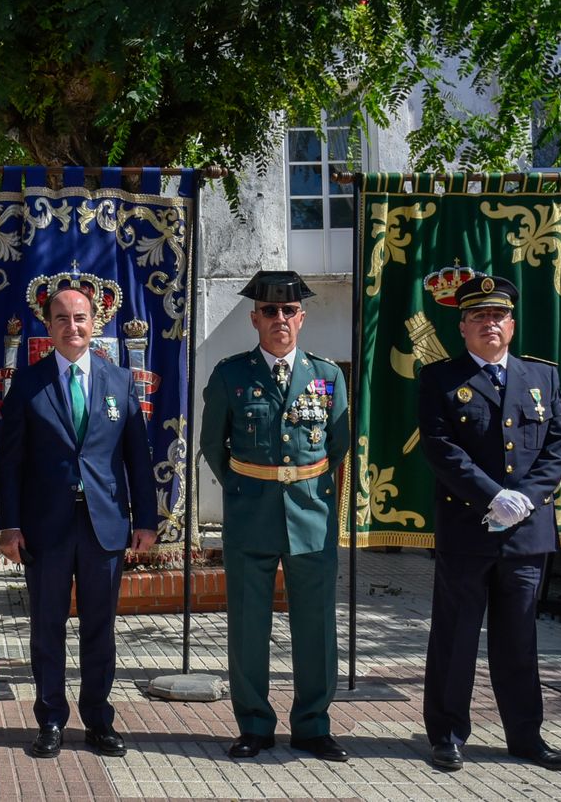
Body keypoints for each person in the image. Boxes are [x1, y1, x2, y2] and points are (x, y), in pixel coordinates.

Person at [416, 275, 561, 772]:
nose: (490, 324)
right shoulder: (440, 378)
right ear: (462, 327)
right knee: (456, 637)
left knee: (520, 641)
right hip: (467, 529)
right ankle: (446, 735)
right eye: (479, 316)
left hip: (526, 534)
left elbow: (559, 444)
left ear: (512, 324)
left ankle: (526, 736)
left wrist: (523, 500)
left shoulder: (541, 377)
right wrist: (492, 496)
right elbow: (441, 448)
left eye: (498, 316)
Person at [0, 287, 158, 759]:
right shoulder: (27, 384)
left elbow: (137, 460)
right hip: (46, 528)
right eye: (62, 318)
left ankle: (99, 720)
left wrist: (145, 519)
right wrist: (10, 525)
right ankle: (49, 720)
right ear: (48, 326)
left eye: (81, 317)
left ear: (97, 322)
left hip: (104, 527)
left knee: (98, 629)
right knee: (47, 628)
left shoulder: (120, 380)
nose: (73, 327)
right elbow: (10, 464)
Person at [200, 270, 350, 763]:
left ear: (302, 318)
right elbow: (212, 446)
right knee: (247, 627)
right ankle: (254, 725)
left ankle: (313, 725)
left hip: (312, 516)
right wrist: (245, 490)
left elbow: (337, 444)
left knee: (316, 627)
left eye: (288, 311)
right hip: (251, 517)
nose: (279, 319)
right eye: (270, 311)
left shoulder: (328, 375)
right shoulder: (230, 374)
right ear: (254, 318)